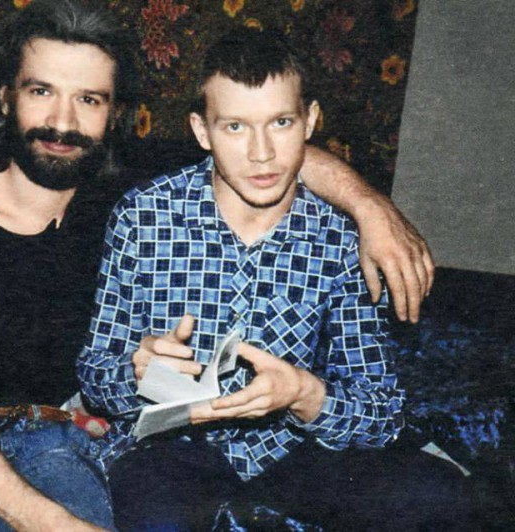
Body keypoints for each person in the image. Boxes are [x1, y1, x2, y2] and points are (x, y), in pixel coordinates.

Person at [0, 1, 435, 530]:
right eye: (41, 91)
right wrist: (52, 524)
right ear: (6, 97)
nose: (64, 121)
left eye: (89, 99)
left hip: (53, 437)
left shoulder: (120, 189)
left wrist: (369, 207)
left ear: (113, 114)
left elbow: (256, 149)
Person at [78, 28, 472, 531]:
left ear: (310, 120)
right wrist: (138, 373)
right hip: (171, 451)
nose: (261, 153)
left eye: (280, 122)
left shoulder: (340, 236)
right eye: (235, 127)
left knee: (445, 497)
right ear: (202, 131)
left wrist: (305, 394)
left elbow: (382, 409)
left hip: (290, 448)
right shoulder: (143, 216)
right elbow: (94, 376)